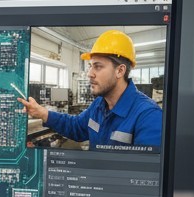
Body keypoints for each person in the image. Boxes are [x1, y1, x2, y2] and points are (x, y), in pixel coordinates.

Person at [18, 29, 162, 148]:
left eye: (98, 66)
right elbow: (76, 127)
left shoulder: (148, 116)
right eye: (90, 66)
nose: (89, 74)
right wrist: (42, 113)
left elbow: (147, 176)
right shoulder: (99, 104)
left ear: (120, 71)